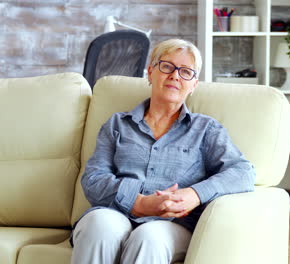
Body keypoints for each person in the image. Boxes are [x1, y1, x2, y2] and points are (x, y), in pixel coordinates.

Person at [71, 39, 256, 264]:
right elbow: (93, 179)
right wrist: (138, 203)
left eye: (186, 71)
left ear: (194, 84)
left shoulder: (206, 129)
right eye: (167, 66)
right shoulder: (117, 124)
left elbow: (243, 172)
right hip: (116, 212)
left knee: (148, 238)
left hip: (172, 226)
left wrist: (194, 194)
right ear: (150, 72)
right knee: (98, 225)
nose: (175, 76)